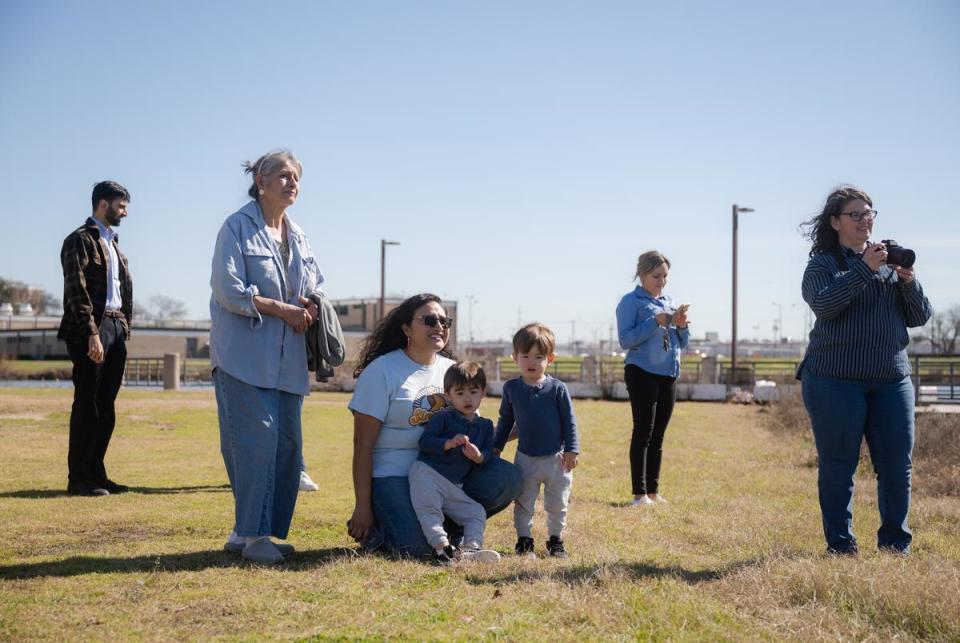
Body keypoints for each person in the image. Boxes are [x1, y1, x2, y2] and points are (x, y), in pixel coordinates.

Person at [798, 186, 932, 556]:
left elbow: (919, 317)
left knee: (896, 466)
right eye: (855, 214)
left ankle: (894, 545)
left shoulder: (888, 263)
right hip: (833, 380)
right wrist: (863, 269)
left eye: (869, 213)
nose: (864, 220)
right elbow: (825, 305)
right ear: (835, 222)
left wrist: (909, 281)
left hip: (891, 380)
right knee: (840, 464)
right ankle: (841, 545)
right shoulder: (822, 265)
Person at [210, 150, 324, 564]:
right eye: (282, 175)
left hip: (288, 363)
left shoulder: (300, 236)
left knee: (286, 449)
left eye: (296, 177)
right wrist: (283, 310)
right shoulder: (236, 228)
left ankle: (254, 533)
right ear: (260, 181)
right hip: (243, 360)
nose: (292, 182)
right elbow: (229, 290)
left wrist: (311, 306)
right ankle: (254, 536)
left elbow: (316, 284)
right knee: (255, 446)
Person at [347, 293, 523, 558]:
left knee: (508, 477)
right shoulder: (382, 370)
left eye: (445, 321)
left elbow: (474, 431)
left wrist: (520, 430)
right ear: (406, 328)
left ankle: (445, 533)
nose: (439, 326)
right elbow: (362, 444)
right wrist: (362, 506)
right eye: (429, 320)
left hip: (446, 475)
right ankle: (382, 533)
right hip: (393, 476)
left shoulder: (452, 370)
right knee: (417, 550)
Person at [58, 180, 133, 497]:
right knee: (87, 403)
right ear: (103, 204)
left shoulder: (114, 244)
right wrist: (92, 333)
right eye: (121, 205)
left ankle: (97, 474)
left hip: (115, 327)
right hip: (92, 328)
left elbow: (121, 291)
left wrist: (124, 327)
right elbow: (78, 292)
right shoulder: (79, 241)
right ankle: (79, 479)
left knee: (106, 406)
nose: (125, 212)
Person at [493, 323, 580, 558]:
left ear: (550, 358)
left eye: (539, 356)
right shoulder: (511, 388)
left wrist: (572, 450)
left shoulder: (557, 389)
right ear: (515, 357)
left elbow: (569, 421)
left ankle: (555, 540)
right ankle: (524, 540)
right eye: (525, 356)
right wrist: (496, 446)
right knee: (523, 502)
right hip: (525, 459)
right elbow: (505, 421)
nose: (532, 362)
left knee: (557, 503)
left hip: (556, 460)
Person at [615, 250, 690, 507]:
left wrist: (681, 325)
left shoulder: (670, 300)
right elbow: (626, 340)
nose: (662, 281)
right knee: (643, 431)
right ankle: (639, 494)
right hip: (641, 372)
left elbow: (683, 343)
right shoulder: (630, 302)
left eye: (665, 276)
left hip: (668, 374)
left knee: (658, 435)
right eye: (656, 275)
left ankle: (654, 492)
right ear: (643, 274)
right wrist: (655, 323)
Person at [409, 361, 501, 565]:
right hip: (427, 475)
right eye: (459, 393)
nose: (467, 398)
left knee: (476, 512)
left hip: (454, 486)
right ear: (448, 395)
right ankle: (442, 548)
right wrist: (448, 443)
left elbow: (489, 454)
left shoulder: (485, 426)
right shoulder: (443, 417)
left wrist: (479, 457)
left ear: (483, 392)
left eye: (473, 392)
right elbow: (424, 442)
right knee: (429, 511)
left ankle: (471, 549)